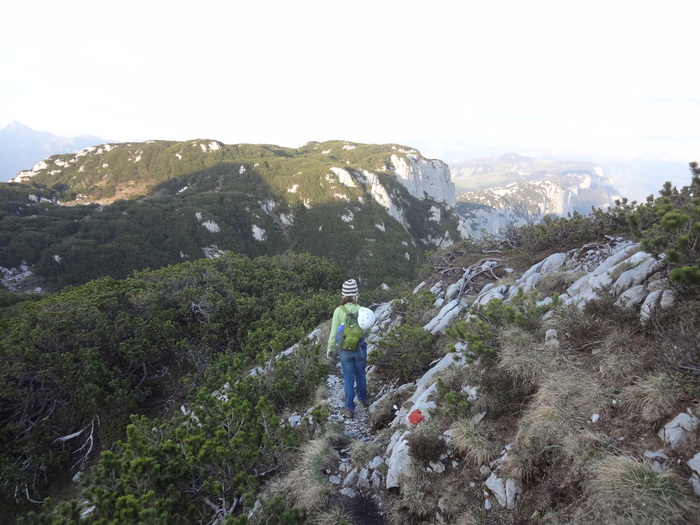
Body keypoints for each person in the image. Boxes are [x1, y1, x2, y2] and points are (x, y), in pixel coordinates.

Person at [327, 279, 369, 419]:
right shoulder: (361, 310)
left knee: (348, 379)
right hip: (360, 347)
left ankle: (349, 408)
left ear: (343, 294)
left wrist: (330, 348)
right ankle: (363, 399)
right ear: (356, 294)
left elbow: (334, 333)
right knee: (361, 374)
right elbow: (368, 331)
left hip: (345, 349)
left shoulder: (339, 311)